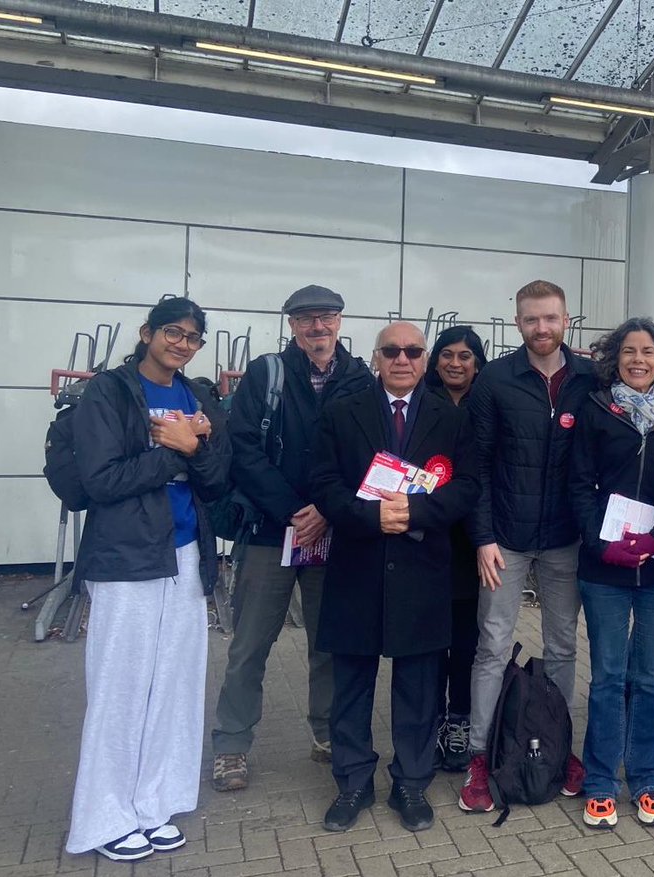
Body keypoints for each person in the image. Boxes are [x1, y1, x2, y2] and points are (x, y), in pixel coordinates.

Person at [66, 297, 231, 862]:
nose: (181, 343)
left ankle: (156, 801)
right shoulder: (109, 392)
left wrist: (193, 451)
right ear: (147, 334)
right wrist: (179, 450)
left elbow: (217, 480)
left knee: (176, 686)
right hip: (126, 559)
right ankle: (106, 815)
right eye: (171, 332)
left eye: (192, 337)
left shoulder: (198, 394)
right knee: (121, 688)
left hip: (186, 556)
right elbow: (101, 478)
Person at [308, 322, 479, 833]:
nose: (402, 359)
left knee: (419, 686)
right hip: (358, 567)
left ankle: (411, 781)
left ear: (423, 360)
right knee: (352, 683)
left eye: (412, 351)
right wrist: (368, 517)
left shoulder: (450, 418)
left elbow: (468, 485)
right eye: (392, 351)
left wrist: (417, 512)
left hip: (422, 570)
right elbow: (323, 481)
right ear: (376, 358)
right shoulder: (342, 412)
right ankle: (353, 782)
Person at [209, 285, 372, 792]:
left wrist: (326, 511)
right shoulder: (266, 373)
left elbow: (368, 454)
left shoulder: (360, 377)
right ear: (292, 326)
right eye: (306, 320)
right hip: (268, 531)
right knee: (251, 643)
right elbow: (243, 448)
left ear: (341, 321)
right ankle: (231, 746)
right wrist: (293, 511)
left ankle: (325, 734)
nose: (317, 328)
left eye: (325, 318)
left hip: (332, 532)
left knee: (328, 643)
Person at [459, 279, 595, 813]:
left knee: (563, 646)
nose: (542, 328)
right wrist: (484, 537)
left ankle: (559, 749)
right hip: (507, 541)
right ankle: (478, 755)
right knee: (492, 646)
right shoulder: (494, 379)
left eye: (551, 318)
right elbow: (477, 466)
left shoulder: (588, 378)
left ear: (567, 320)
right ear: (517, 323)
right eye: (532, 319)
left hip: (566, 537)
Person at [569, 318, 654, 830]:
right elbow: (578, 486)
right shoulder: (596, 409)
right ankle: (601, 780)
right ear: (615, 359)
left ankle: (648, 778)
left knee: (649, 679)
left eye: (647, 351)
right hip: (604, 568)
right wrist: (601, 544)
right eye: (628, 352)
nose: (638, 360)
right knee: (606, 677)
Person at [425, 325, 489, 772]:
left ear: (478, 364)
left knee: (466, 642)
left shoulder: (486, 405)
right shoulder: (420, 403)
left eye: (465, 356)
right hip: (426, 534)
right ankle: (426, 724)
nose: (455, 363)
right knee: (428, 641)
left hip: (473, 538)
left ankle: (460, 722)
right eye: (446, 355)